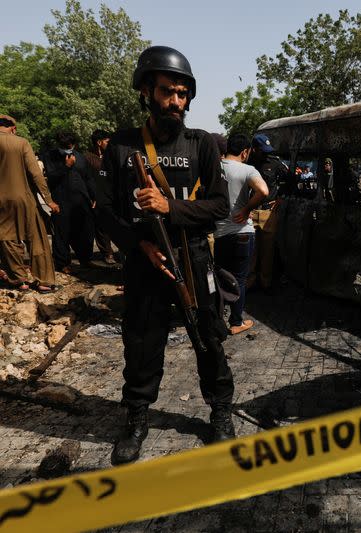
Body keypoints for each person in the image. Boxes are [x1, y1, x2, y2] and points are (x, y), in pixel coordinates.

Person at [96, 45, 235, 464]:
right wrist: (140, 244)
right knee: (141, 343)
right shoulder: (121, 147)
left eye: (182, 93)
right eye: (166, 92)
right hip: (145, 261)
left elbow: (219, 207)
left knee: (208, 336)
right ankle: (137, 418)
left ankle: (221, 412)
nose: (175, 101)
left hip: (192, 259)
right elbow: (105, 210)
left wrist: (170, 208)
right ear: (146, 92)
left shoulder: (202, 145)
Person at [215, 133, 268, 334]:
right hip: (242, 233)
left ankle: (217, 319)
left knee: (220, 277)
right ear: (245, 152)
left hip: (220, 233)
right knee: (239, 279)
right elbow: (263, 191)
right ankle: (236, 322)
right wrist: (245, 209)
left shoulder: (214, 168)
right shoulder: (247, 170)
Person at [0, 115, 60, 292]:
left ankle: (19, 280)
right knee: (37, 237)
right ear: (12, 128)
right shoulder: (21, 142)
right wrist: (49, 200)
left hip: (1, 201)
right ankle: (43, 282)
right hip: (24, 198)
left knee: (6, 238)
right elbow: (36, 174)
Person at [43, 131, 95, 273]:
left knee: (85, 230)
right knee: (61, 233)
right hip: (61, 200)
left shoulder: (80, 156)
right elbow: (51, 178)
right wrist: (66, 166)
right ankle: (63, 263)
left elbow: (88, 177)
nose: (69, 148)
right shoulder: (50, 156)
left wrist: (94, 196)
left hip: (81, 200)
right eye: (66, 146)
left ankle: (86, 259)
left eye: (71, 146)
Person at [86, 129, 116, 265]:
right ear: (99, 142)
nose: (109, 144)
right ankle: (107, 253)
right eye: (107, 141)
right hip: (97, 198)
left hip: (112, 196)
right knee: (101, 227)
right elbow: (88, 180)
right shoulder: (88, 158)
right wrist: (93, 197)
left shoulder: (111, 156)